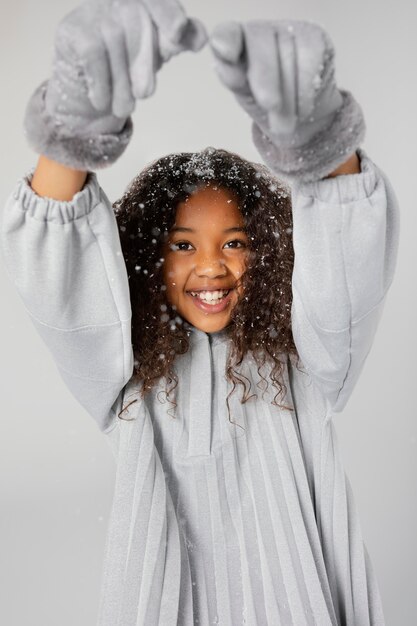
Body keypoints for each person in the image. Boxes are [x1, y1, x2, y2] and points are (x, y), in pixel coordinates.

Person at [0, 0, 399, 624]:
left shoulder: (302, 355)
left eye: (234, 242)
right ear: (146, 257)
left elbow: (346, 281)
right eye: (182, 245)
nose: (210, 266)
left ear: (265, 250)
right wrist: (71, 132)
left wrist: (324, 144)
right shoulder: (123, 368)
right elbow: (64, 289)